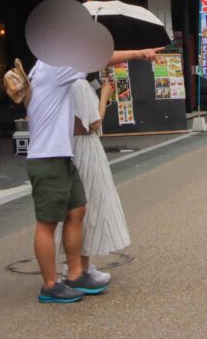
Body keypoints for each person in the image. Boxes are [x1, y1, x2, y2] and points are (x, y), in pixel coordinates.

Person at [27, 47, 159, 304]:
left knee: (77, 211)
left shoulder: (54, 67)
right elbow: (96, 57)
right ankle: (51, 285)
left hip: (63, 155)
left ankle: (76, 274)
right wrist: (138, 54)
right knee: (47, 222)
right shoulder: (54, 65)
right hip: (47, 156)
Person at [61, 76, 129, 285]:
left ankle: (78, 266)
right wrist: (105, 96)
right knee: (89, 205)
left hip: (71, 145)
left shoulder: (64, 82)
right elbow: (94, 122)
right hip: (85, 148)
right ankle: (79, 268)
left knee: (81, 209)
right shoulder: (79, 85)